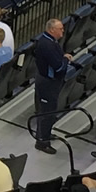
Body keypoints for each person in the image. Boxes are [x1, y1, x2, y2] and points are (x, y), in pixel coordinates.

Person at [30, 18, 74, 154]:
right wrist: (66, 60)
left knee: (50, 111)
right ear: (51, 30)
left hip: (51, 81)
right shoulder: (47, 45)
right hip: (47, 83)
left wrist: (63, 57)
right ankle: (42, 141)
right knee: (46, 112)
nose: (63, 31)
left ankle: (46, 134)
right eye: (60, 28)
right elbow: (59, 67)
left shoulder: (51, 41)